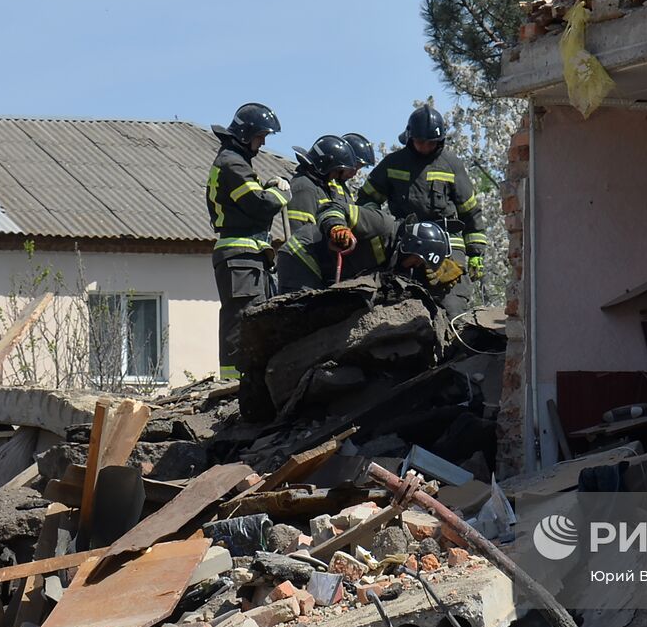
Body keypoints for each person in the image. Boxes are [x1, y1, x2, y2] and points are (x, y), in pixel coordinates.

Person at [206, 103, 290, 416]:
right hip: (240, 255)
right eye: (260, 136)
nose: (263, 143)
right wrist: (282, 194)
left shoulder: (236, 162)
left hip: (248, 254)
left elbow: (251, 196)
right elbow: (258, 205)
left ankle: (245, 377)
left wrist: (268, 186)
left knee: (253, 313)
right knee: (243, 314)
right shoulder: (233, 165)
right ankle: (234, 382)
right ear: (245, 135)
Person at [359, 105, 487, 290]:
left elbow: (470, 211)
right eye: (420, 142)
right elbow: (366, 201)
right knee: (398, 297)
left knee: (452, 304)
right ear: (410, 138)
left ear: (440, 140)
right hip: (406, 244)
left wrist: (476, 253)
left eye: (431, 143)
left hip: (448, 245)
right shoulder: (393, 163)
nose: (425, 147)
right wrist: (382, 231)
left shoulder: (451, 164)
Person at [276, 135, 358, 293]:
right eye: (336, 170)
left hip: (317, 270)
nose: (336, 176)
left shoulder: (320, 187)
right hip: (303, 272)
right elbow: (302, 235)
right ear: (324, 166)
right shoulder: (304, 187)